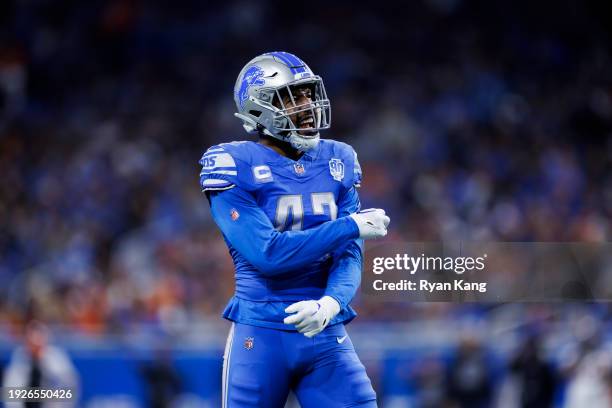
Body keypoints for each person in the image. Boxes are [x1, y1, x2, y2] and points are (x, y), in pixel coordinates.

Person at [199, 51, 390, 407]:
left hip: (323, 329)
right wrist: (348, 226)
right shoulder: (233, 163)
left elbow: (350, 253)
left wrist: (332, 303)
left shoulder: (338, 159)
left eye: (308, 94)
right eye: (292, 97)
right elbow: (268, 254)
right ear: (259, 108)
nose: (307, 105)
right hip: (260, 333)